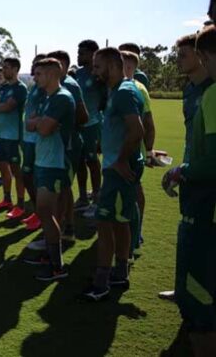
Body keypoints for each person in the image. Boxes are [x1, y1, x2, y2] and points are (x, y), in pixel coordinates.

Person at [162, 25, 216, 355]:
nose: (179, 60)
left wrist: (185, 169)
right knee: (188, 234)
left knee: (199, 243)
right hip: (193, 176)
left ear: (202, 56)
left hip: (204, 186)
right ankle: (185, 290)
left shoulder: (212, 91)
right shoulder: (190, 92)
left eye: (185, 54)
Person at [82, 47, 144, 302]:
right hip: (114, 166)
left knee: (105, 223)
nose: (94, 71)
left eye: (98, 66)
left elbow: (137, 130)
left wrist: (119, 160)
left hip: (119, 169)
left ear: (111, 65)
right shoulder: (115, 91)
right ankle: (120, 272)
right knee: (119, 221)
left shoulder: (125, 92)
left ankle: (102, 281)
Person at [24, 58, 75, 281]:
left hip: (55, 163)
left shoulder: (62, 98)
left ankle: (57, 266)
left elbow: (43, 128)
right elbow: (29, 123)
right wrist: (38, 122)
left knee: (46, 211)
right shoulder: (48, 98)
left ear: (53, 74)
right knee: (46, 212)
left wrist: (39, 122)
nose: (35, 78)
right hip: (43, 161)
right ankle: (50, 256)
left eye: (39, 74)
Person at [46, 50, 88, 240]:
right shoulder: (53, 87)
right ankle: (65, 227)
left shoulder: (69, 86)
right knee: (62, 188)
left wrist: (62, 123)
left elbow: (83, 116)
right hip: (59, 145)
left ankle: (63, 229)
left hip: (68, 145)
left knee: (63, 189)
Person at [122, 50, 156, 256]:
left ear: (131, 68)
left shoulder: (138, 89)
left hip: (132, 152)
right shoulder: (117, 88)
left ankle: (135, 234)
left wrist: (149, 149)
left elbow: (149, 124)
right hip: (119, 150)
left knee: (134, 193)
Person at [0, 57, 27, 211]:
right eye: (3, 67)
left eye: (6, 67)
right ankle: (7, 199)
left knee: (17, 171)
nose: (3, 70)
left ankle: (21, 204)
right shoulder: (2, 88)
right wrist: (0, 105)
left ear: (15, 69)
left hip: (14, 137)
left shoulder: (20, 88)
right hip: (2, 135)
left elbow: (7, 107)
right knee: (3, 167)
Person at [73, 40, 106, 217]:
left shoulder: (98, 75)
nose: (79, 55)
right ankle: (83, 197)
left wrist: (101, 128)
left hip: (93, 125)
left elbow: (105, 101)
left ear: (93, 54)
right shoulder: (78, 74)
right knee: (79, 162)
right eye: (78, 52)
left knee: (92, 161)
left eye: (82, 53)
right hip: (78, 125)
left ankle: (97, 198)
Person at [21, 54, 47, 230]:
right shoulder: (34, 88)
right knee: (27, 176)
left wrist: (34, 119)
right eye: (33, 64)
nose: (33, 68)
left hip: (37, 140)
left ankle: (42, 215)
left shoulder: (45, 90)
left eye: (37, 66)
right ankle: (38, 211)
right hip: (27, 138)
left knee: (36, 178)